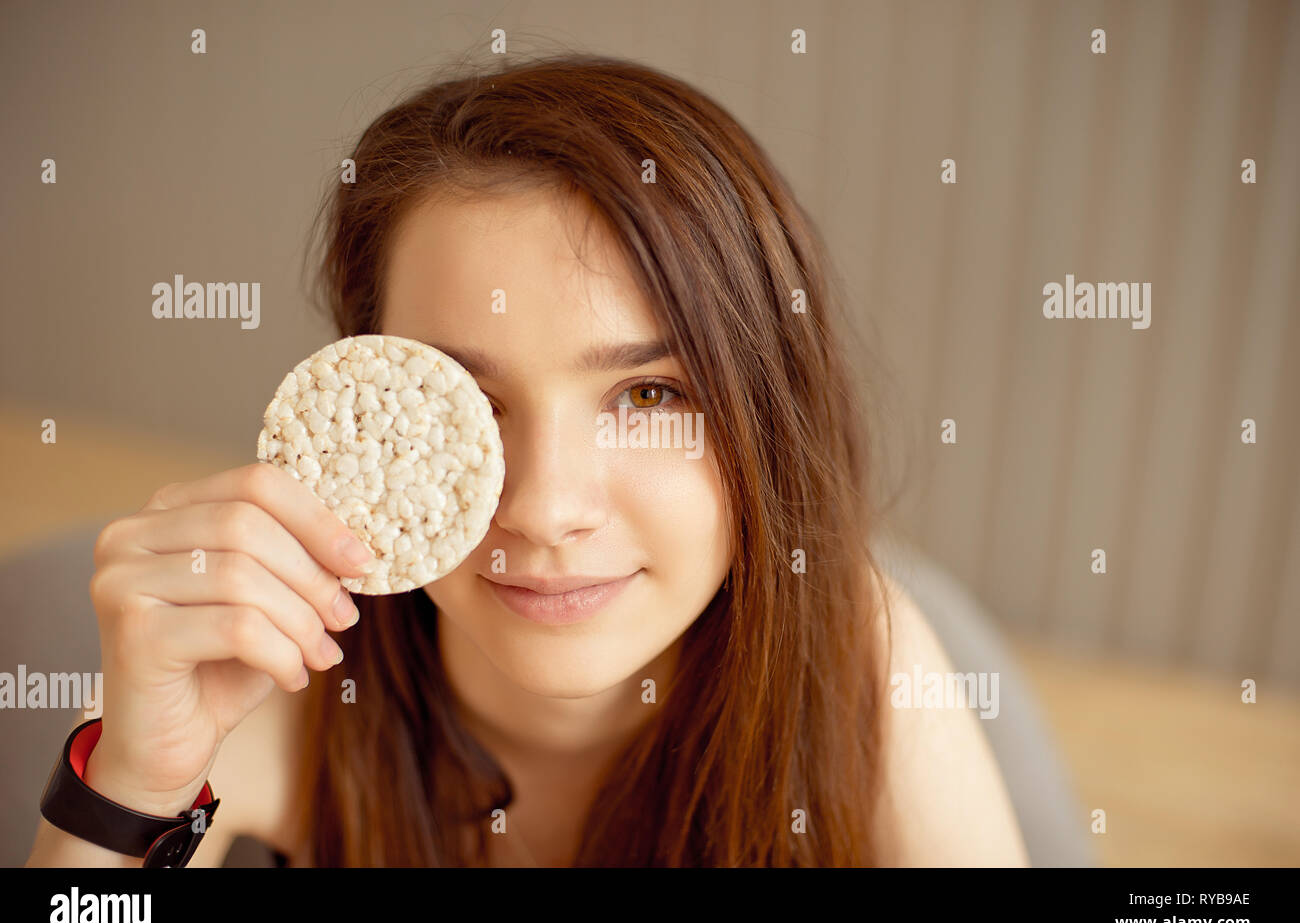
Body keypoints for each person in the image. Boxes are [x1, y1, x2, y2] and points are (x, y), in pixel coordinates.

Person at [26, 53, 1027, 867]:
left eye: (650, 395)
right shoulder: (285, 673)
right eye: (472, 403)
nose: (546, 509)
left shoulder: (859, 666)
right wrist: (132, 788)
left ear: (767, 414)